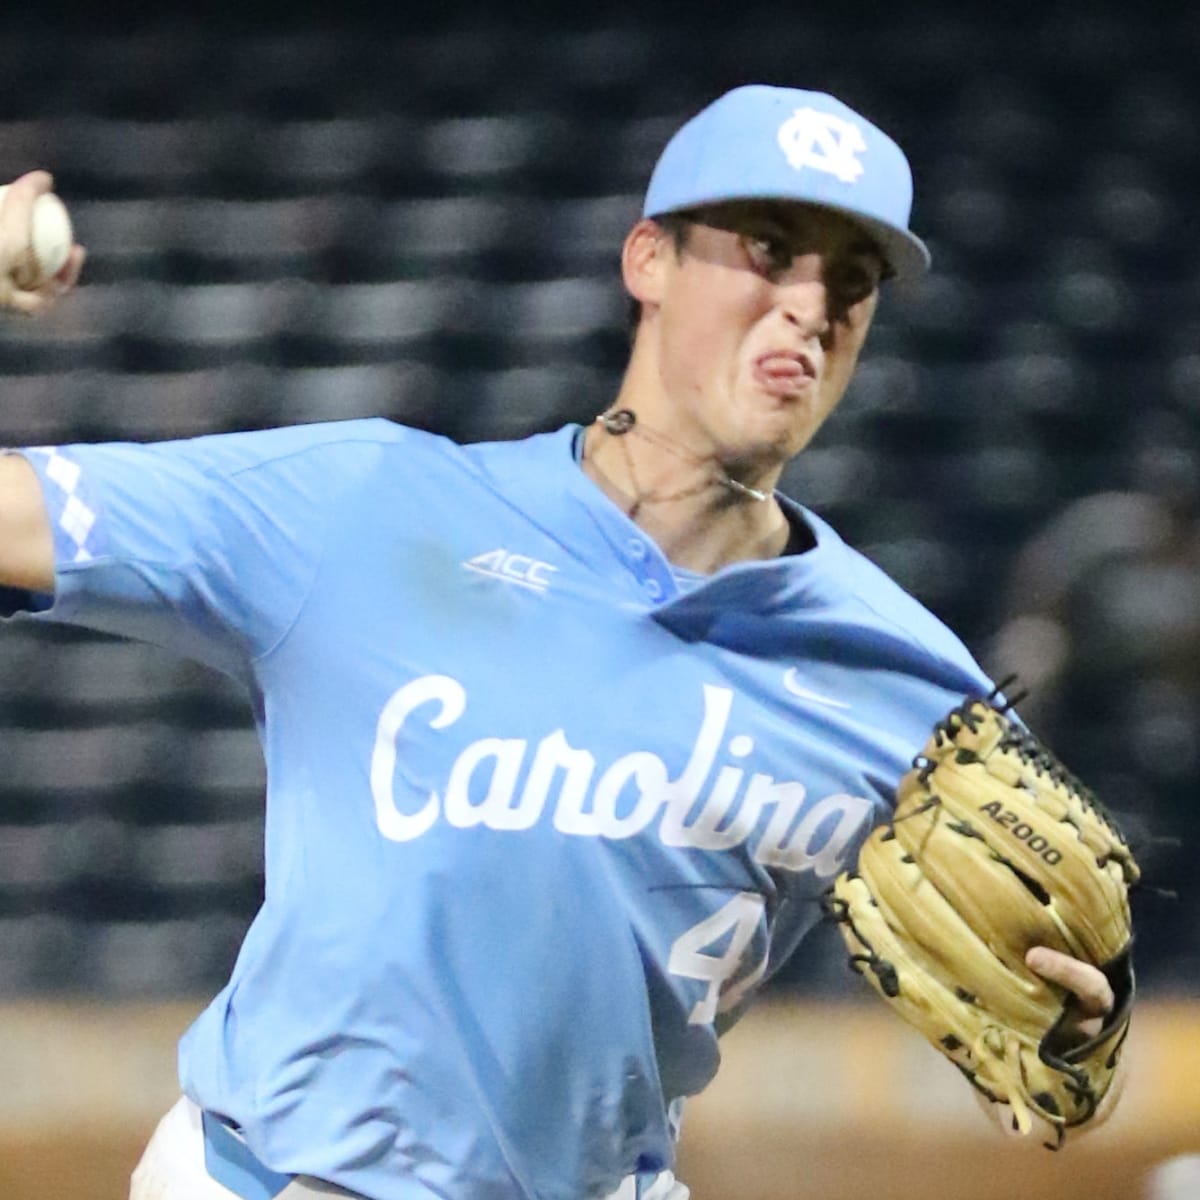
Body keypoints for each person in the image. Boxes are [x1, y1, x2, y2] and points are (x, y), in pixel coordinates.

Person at [0, 85, 1122, 1200]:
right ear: (649, 262)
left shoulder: (906, 682)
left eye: (851, 280)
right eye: (769, 250)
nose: (809, 306)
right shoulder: (367, 508)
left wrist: (1080, 1035)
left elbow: (1055, 1049)